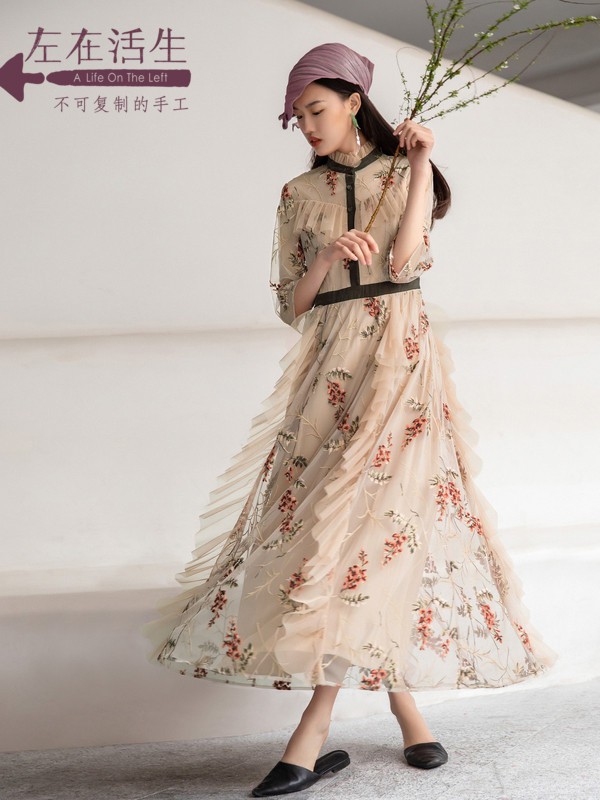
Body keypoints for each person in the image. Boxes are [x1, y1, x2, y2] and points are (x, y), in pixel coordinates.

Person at [141, 42, 558, 797]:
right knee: (331, 532)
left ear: (353, 102)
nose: (306, 126)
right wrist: (328, 256)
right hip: (330, 369)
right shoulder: (298, 192)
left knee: (376, 527)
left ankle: (312, 734)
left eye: (316, 109)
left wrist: (422, 163)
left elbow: (406, 264)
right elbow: (290, 304)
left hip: (399, 360)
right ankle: (407, 712)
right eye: (298, 116)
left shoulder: (401, 170)